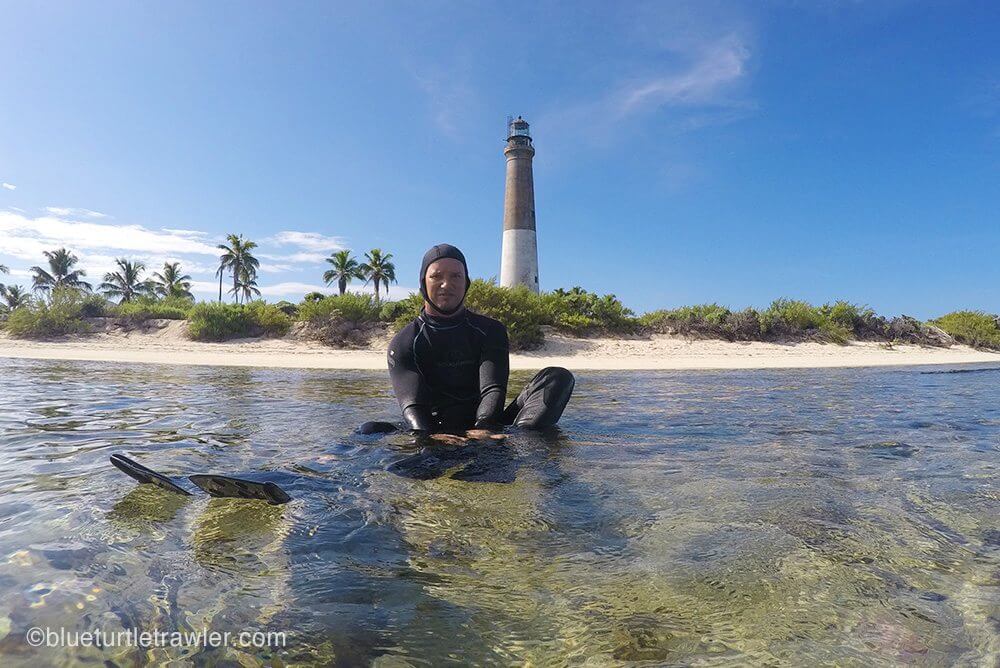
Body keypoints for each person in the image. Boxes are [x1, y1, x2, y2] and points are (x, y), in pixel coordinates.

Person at [359, 244, 574, 441]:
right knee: (368, 429)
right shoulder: (405, 342)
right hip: (435, 429)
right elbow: (411, 405)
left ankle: (521, 440)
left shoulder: (490, 331)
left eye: (456, 276)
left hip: (487, 424)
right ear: (423, 282)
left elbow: (493, 389)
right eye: (437, 276)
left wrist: (484, 428)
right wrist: (431, 437)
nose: (447, 284)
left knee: (558, 378)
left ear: (466, 283)